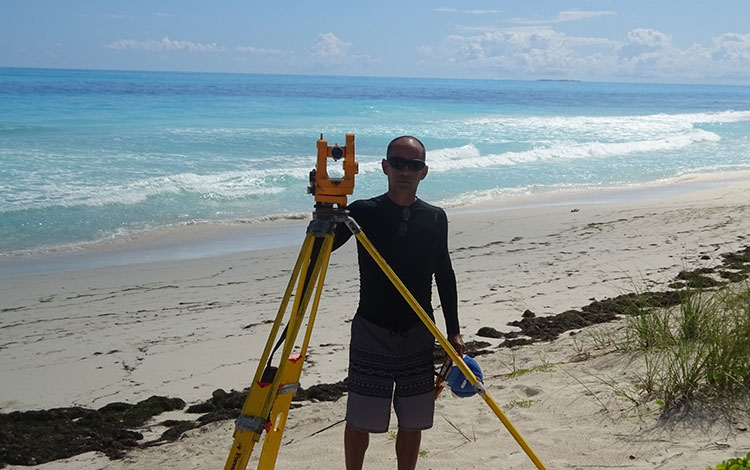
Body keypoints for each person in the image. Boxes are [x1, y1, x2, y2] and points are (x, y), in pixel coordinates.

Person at [333, 136, 465, 470]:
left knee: (413, 419)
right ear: (385, 167)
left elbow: (444, 274)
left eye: (414, 165)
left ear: (424, 172)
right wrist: (326, 216)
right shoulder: (363, 211)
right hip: (371, 328)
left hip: (418, 330)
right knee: (360, 416)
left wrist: (454, 331)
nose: (405, 171)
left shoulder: (435, 218)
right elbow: (322, 250)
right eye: (399, 163)